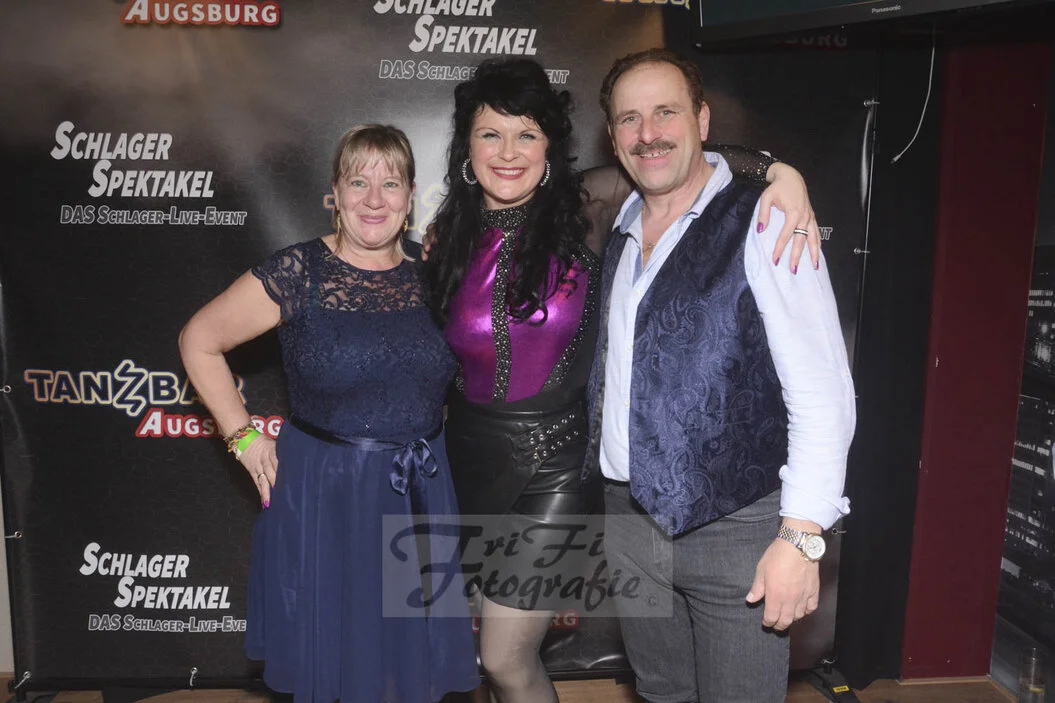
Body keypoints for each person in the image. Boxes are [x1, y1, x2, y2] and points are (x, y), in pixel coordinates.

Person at [422, 57, 825, 703]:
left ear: (550, 147)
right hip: (473, 462)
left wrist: (781, 171)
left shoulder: (587, 209)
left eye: (526, 134)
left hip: (554, 467)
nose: (508, 151)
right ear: (466, 148)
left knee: (503, 655)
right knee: (516, 659)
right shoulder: (448, 236)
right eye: (490, 134)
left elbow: (669, 153)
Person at [587, 48, 856, 703]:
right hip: (629, 519)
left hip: (737, 528)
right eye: (629, 119)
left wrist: (800, 537)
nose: (648, 133)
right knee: (660, 693)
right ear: (613, 137)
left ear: (702, 119)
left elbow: (824, 394)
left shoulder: (767, 220)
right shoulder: (620, 223)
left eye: (666, 111)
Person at [178, 125, 480, 703]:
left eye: (390, 183)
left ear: (411, 196)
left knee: (408, 668)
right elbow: (199, 341)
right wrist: (244, 439)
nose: (374, 199)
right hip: (327, 495)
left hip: (420, 489)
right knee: (339, 662)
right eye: (358, 182)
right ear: (335, 194)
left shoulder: (437, 273)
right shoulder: (298, 273)